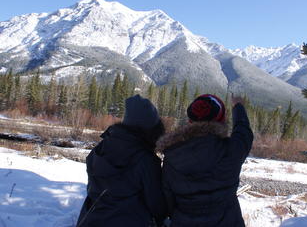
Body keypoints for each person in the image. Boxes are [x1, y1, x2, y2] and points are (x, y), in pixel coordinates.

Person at [156, 94, 253, 227]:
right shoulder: (231, 150)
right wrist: (238, 106)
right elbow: (244, 132)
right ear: (221, 120)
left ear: (190, 121)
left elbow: (168, 198)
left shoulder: (172, 155)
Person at [77, 95, 167, 227]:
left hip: (89, 220)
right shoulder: (146, 160)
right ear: (152, 130)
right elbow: (157, 206)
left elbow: (92, 189)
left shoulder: (100, 148)